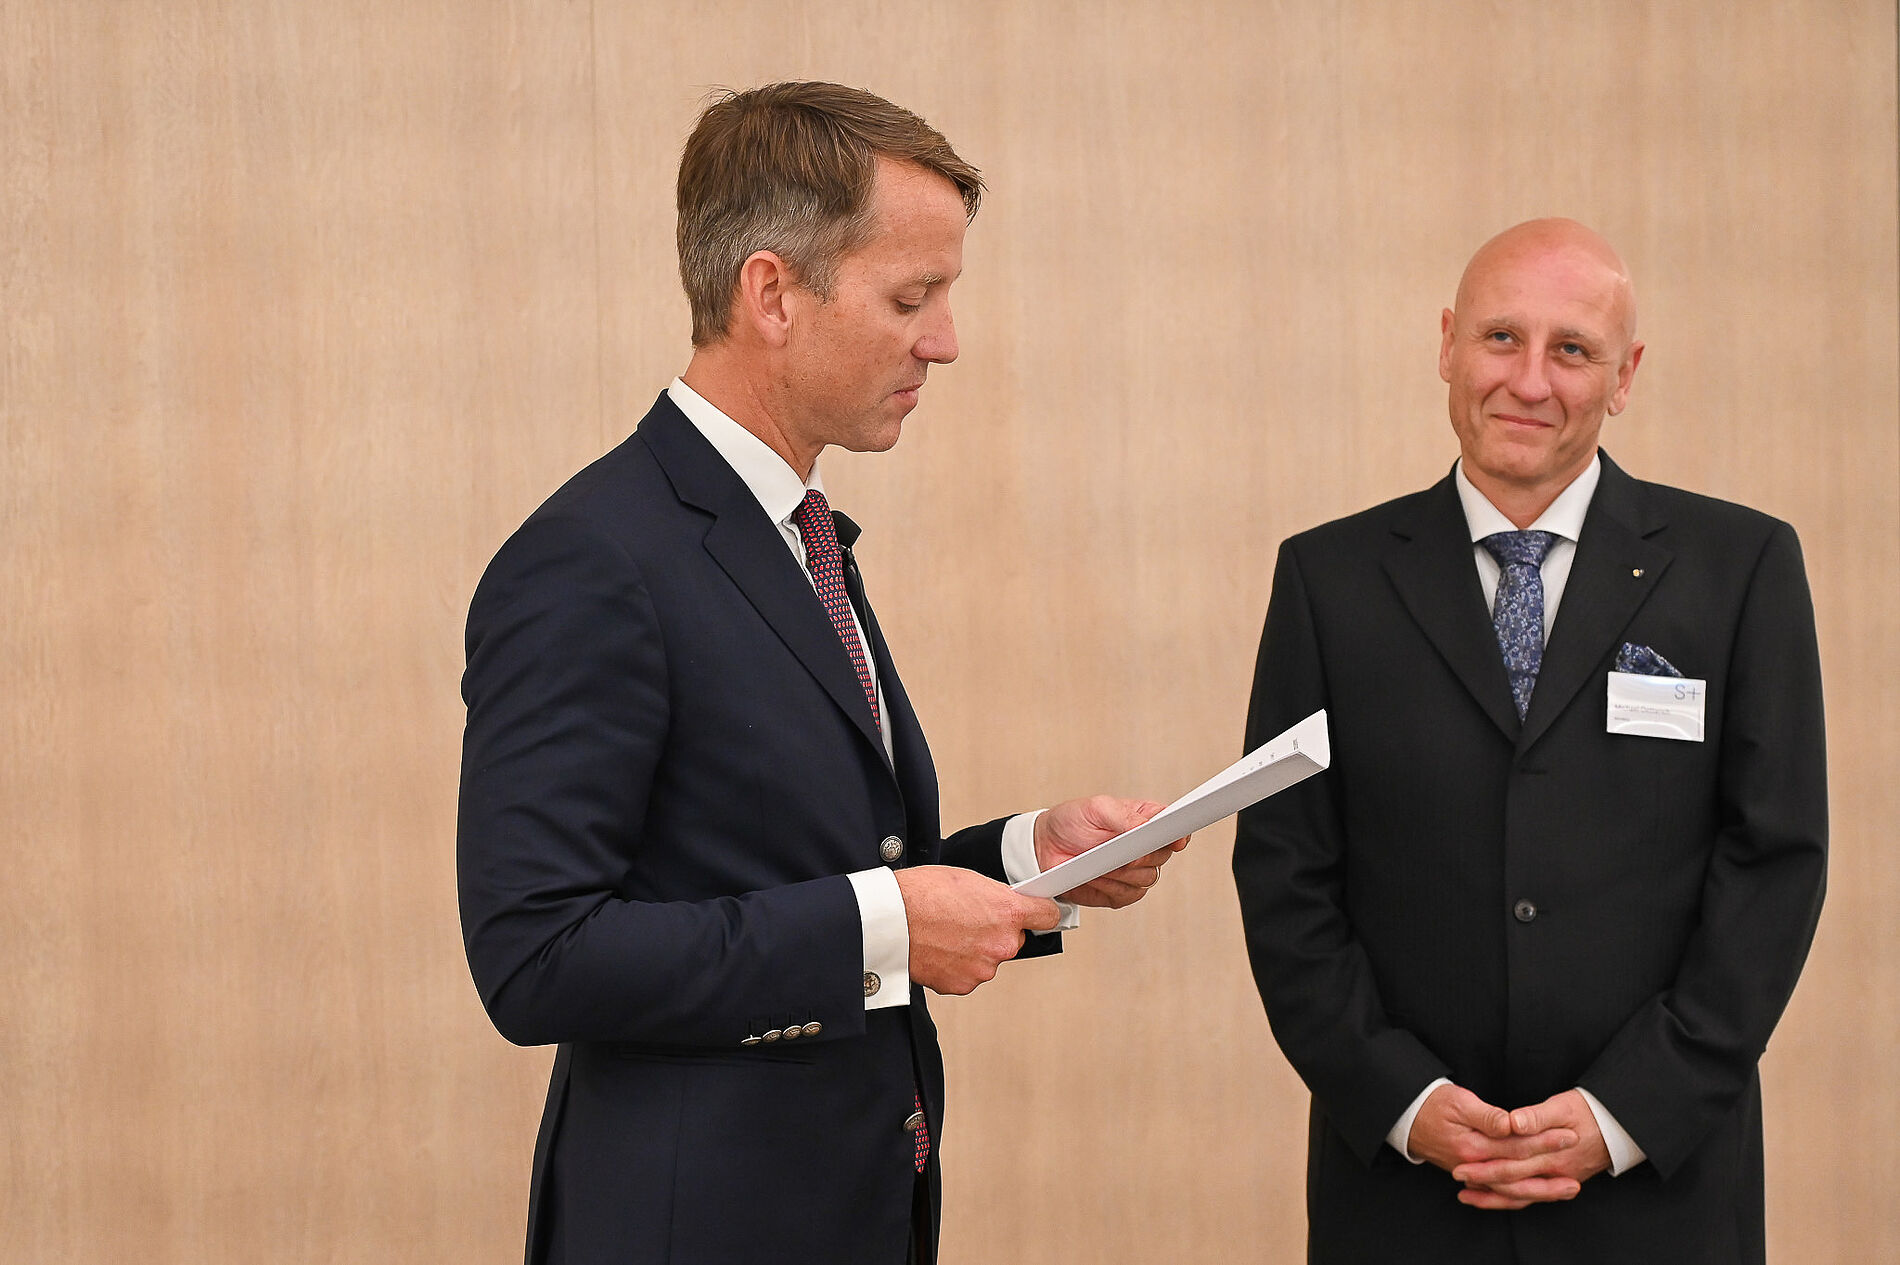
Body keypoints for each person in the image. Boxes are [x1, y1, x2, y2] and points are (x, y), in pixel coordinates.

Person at [456, 82, 1185, 1265]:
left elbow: (813, 866)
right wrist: (883, 923)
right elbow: (537, 957)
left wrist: (1025, 857)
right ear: (771, 293)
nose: (944, 339)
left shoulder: (795, 532)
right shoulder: (592, 558)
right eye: (910, 296)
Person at [1232, 218, 1825, 1263]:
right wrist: (1402, 1098)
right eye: (1501, 337)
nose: (1529, 380)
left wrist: (1625, 1111)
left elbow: (1773, 865)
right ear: (1447, 344)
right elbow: (1285, 870)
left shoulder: (1741, 569)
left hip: (1661, 1188)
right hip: (1406, 1192)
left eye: (1573, 349)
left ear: (1624, 376)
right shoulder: (1328, 581)